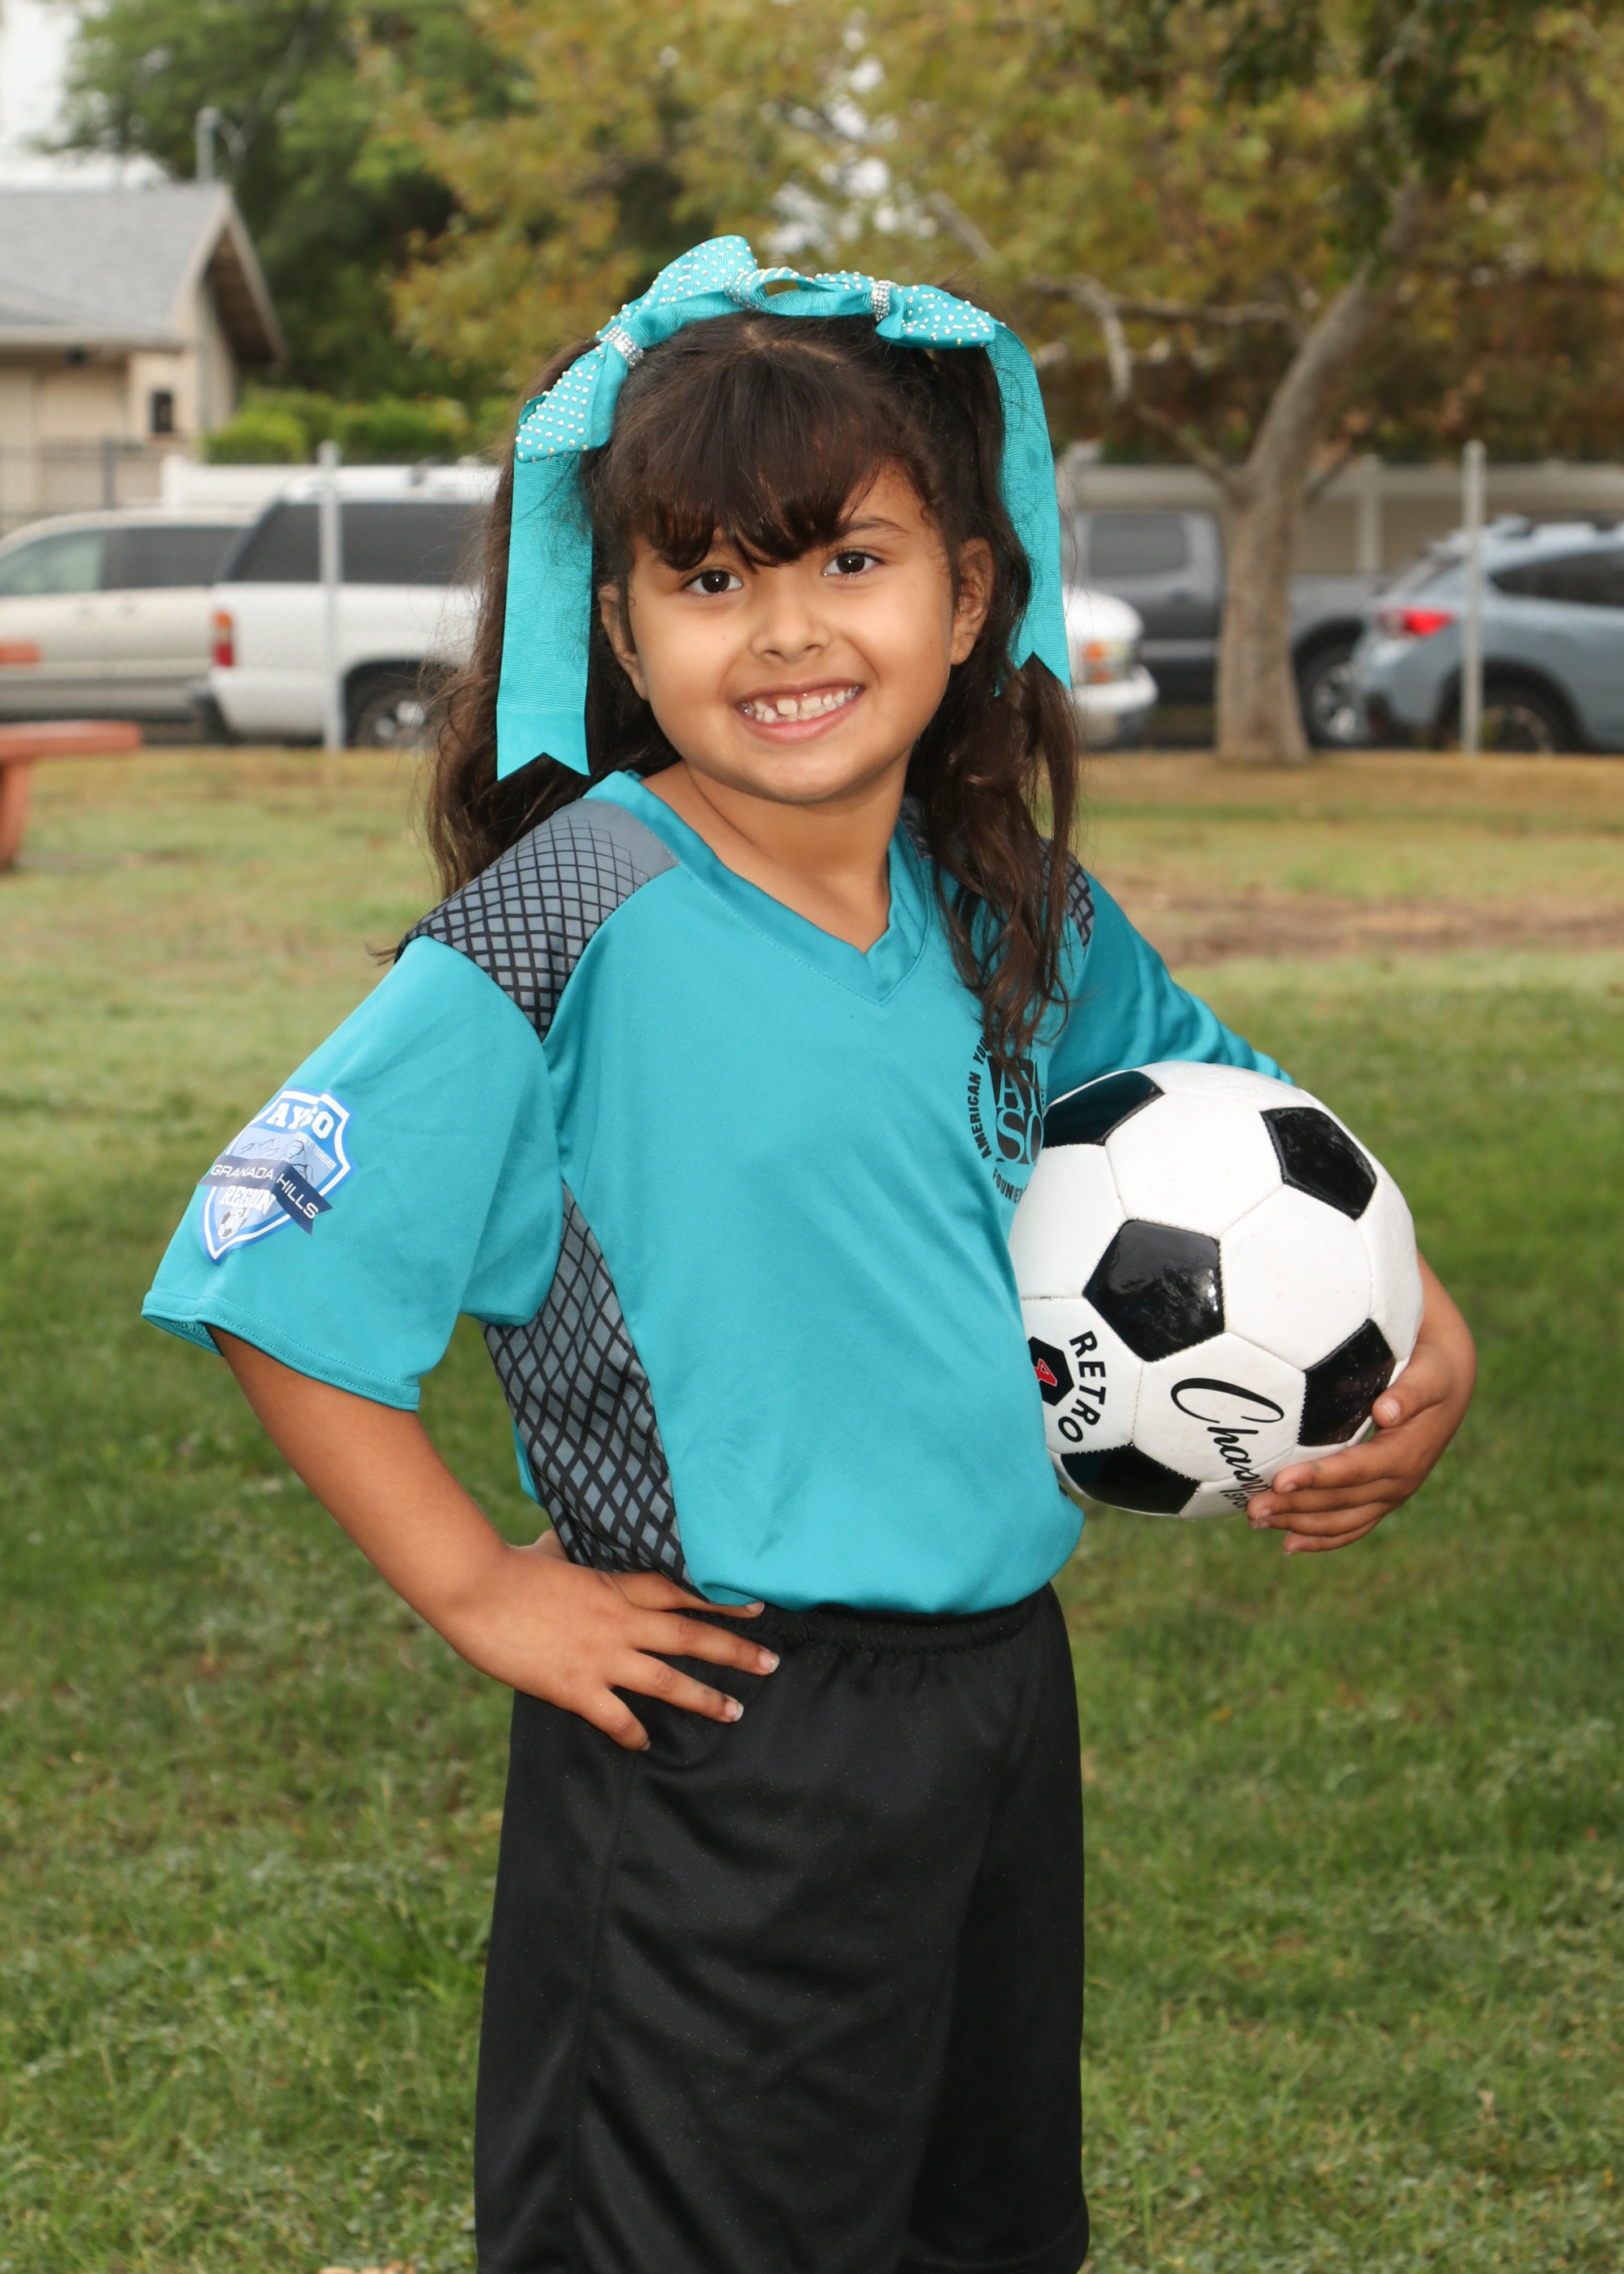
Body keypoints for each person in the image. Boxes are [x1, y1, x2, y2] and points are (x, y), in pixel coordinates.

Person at [142, 240, 1475, 2274]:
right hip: (718, 1731)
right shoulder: (563, 920)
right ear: (622, 624)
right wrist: (482, 1585)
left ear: (968, 592)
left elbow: (1252, 1121)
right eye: (708, 577)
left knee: (979, 2226)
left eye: (850, 560)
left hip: (995, 1703)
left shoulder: (1012, 903)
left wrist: (1412, 1325)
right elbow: (271, 1259)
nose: (783, 628)